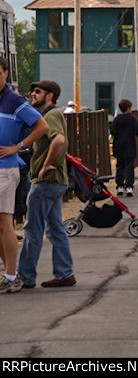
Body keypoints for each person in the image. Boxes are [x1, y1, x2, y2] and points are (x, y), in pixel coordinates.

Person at [18, 80, 74, 289]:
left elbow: (58, 140)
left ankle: (25, 276)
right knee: (55, 229)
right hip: (55, 181)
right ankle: (65, 273)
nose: (33, 94)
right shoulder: (48, 115)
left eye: (38, 91)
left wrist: (45, 166)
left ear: (50, 95)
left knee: (32, 228)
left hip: (46, 181)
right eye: (32, 90)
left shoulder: (51, 115)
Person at [0, 56, 47, 293]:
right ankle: (9, 272)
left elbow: (42, 126)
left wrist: (18, 147)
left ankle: (11, 276)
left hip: (5, 169)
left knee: (5, 224)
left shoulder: (14, 100)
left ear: (6, 73)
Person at [111, 99, 138, 196]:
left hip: (118, 145)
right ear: (128, 108)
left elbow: (112, 131)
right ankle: (129, 187)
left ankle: (120, 186)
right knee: (129, 166)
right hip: (129, 145)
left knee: (120, 166)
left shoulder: (117, 119)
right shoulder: (132, 119)